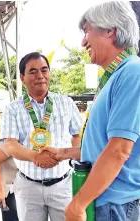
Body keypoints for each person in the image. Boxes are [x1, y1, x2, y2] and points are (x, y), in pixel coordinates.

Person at [64, 2, 140, 221]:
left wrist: (79, 204)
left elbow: (119, 150)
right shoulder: (114, 77)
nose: (83, 41)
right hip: (104, 200)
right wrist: (62, 154)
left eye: (87, 30)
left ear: (110, 30)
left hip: (113, 204)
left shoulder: (132, 72)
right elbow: (100, 146)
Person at [0, 52, 83, 221]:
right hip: (28, 187)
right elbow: (10, 144)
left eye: (44, 70)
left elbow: (78, 135)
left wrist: (70, 156)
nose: (40, 76)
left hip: (62, 185)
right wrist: (36, 157)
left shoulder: (66, 103)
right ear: (22, 77)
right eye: (33, 71)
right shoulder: (13, 109)